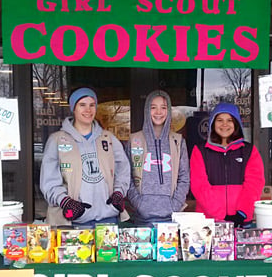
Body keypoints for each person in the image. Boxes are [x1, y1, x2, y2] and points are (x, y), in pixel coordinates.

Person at [40, 87, 130, 227]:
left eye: (92, 105)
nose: (88, 110)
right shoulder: (57, 140)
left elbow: (123, 169)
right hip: (73, 222)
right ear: (73, 109)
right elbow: (49, 182)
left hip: (108, 219)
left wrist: (119, 193)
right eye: (82, 105)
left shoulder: (108, 138)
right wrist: (65, 201)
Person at [190, 102, 265, 227]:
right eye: (219, 120)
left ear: (236, 124)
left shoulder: (248, 150)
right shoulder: (200, 150)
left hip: (241, 221)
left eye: (229, 120)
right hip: (208, 222)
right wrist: (220, 216)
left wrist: (242, 213)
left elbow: (254, 184)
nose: (224, 124)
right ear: (213, 123)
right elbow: (199, 186)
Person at [126, 90, 190, 224]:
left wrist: (175, 204)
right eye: (153, 107)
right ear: (146, 110)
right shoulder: (134, 140)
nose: (158, 112)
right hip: (141, 217)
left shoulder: (177, 141)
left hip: (171, 218)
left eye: (163, 107)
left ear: (169, 111)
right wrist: (138, 203)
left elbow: (184, 177)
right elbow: (127, 176)